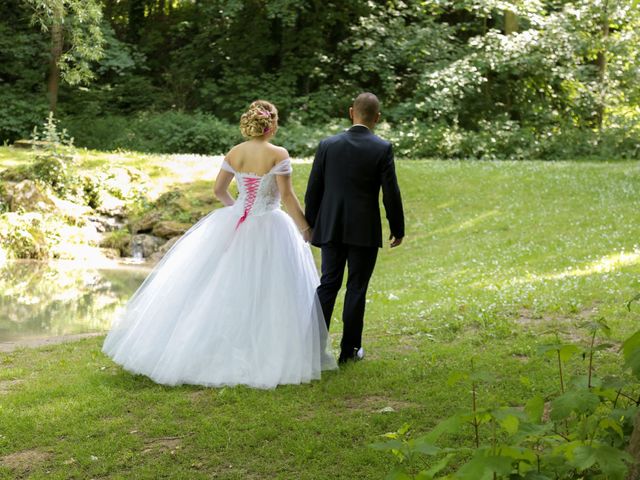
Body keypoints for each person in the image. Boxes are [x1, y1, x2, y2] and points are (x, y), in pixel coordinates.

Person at [102, 100, 337, 388]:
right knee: (270, 288)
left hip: (236, 222)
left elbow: (218, 190)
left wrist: (237, 209)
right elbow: (287, 196)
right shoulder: (279, 154)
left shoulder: (235, 152)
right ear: (272, 125)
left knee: (224, 285)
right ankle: (266, 349)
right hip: (269, 225)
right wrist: (305, 228)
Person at [304, 92, 405, 365]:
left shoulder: (328, 145)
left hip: (332, 226)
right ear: (377, 118)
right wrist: (397, 227)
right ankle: (349, 350)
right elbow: (390, 193)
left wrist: (310, 224)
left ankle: (312, 348)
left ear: (352, 112)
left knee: (328, 284)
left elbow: (314, 189)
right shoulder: (382, 148)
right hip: (364, 229)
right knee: (356, 287)